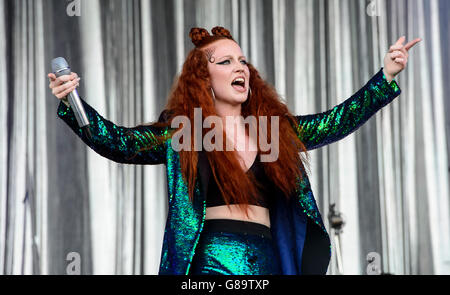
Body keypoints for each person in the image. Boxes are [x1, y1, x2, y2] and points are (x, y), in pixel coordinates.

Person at [48, 26, 421, 275]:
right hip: (209, 259)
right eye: (225, 61)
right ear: (203, 77)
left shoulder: (272, 130)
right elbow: (120, 143)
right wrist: (73, 102)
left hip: (269, 259)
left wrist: (385, 76)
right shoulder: (186, 131)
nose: (239, 66)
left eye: (242, 60)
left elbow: (335, 121)